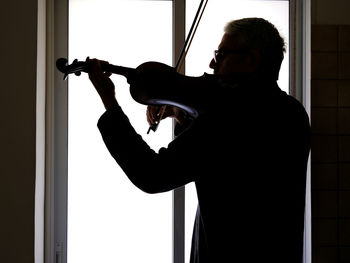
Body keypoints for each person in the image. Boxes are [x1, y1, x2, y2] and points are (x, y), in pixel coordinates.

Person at [88, 17, 311, 263]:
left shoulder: (228, 116)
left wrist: (110, 104)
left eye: (221, 54)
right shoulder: (292, 113)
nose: (212, 63)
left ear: (251, 60)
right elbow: (232, 164)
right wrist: (181, 112)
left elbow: (151, 174)